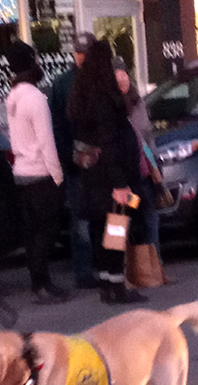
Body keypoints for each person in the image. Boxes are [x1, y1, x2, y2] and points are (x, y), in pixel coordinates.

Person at [67, 39, 146, 304]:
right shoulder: (103, 95)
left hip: (92, 173)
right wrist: (121, 182)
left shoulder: (80, 92)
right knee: (116, 230)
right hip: (112, 176)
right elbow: (109, 140)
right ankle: (116, 285)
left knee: (101, 230)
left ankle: (105, 283)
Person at [5, 41, 70, 304]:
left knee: (32, 232)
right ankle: (43, 282)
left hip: (21, 172)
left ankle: (38, 281)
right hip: (40, 173)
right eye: (36, 59)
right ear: (30, 63)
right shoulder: (35, 98)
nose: (40, 64)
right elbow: (46, 141)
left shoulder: (13, 97)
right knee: (46, 230)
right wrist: (58, 175)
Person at [113, 56, 173, 286]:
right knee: (119, 222)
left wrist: (155, 166)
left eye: (124, 75)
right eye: (118, 77)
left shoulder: (137, 102)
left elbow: (147, 138)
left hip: (143, 173)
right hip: (122, 176)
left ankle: (154, 270)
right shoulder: (109, 107)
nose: (123, 80)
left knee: (149, 218)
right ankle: (119, 275)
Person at [49, 32, 98, 289]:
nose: (81, 57)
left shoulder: (102, 80)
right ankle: (84, 271)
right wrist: (66, 155)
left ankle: (109, 268)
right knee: (81, 218)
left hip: (101, 162)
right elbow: (56, 124)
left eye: (85, 53)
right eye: (78, 52)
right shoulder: (62, 83)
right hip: (76, 162)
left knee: (107, 216)